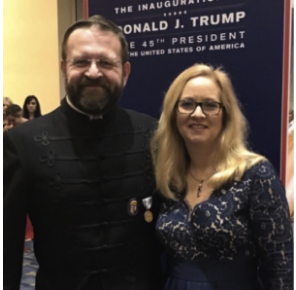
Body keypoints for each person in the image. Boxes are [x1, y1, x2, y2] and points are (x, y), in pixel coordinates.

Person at [4, 15, 163, 290]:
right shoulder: (21, 143)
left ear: (125, 71)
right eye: (81, 61)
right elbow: (6, 246)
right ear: (64, 68)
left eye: (105, 62)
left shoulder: (153, 134)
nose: (93, 72)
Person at [151, 63, 293, 290]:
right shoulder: (168, 177)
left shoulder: (256, 174)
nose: (197, 113)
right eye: (187, 104)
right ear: (173, 113)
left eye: (210, 105)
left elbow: (280, 265)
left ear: (226, 114)